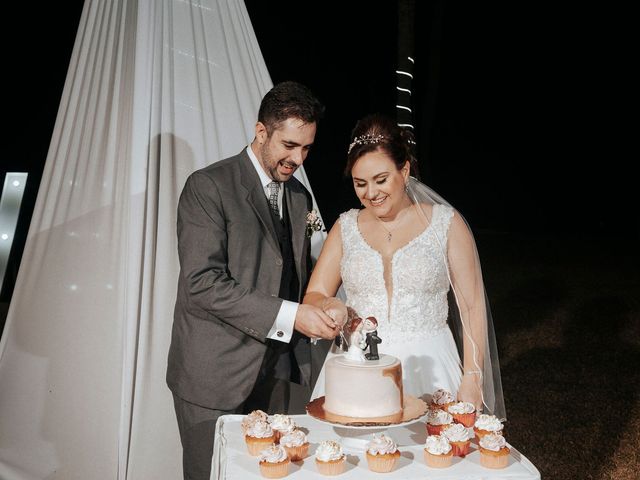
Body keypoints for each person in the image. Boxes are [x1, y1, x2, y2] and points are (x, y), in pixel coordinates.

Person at [167, 81, 339, 480]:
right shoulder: (208, 186)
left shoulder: (299, 197)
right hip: (215, 375)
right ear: (261, 132)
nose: (298, 158)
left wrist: (323, 301)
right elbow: (202, 282)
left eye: (307, 148)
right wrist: (292, 315)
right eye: (289, 145)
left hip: (280, 374)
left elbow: (292, 273)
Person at [304, 113, 506, 420]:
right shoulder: (345, 227)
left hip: (432, 366)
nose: (371, 193)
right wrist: (332, 305)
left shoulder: (446, 225)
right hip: (359, 371)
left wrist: (473, 376)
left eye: (381, 180)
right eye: (360, 184)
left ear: (405, 169)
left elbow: (472, 306)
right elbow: (315, 295)